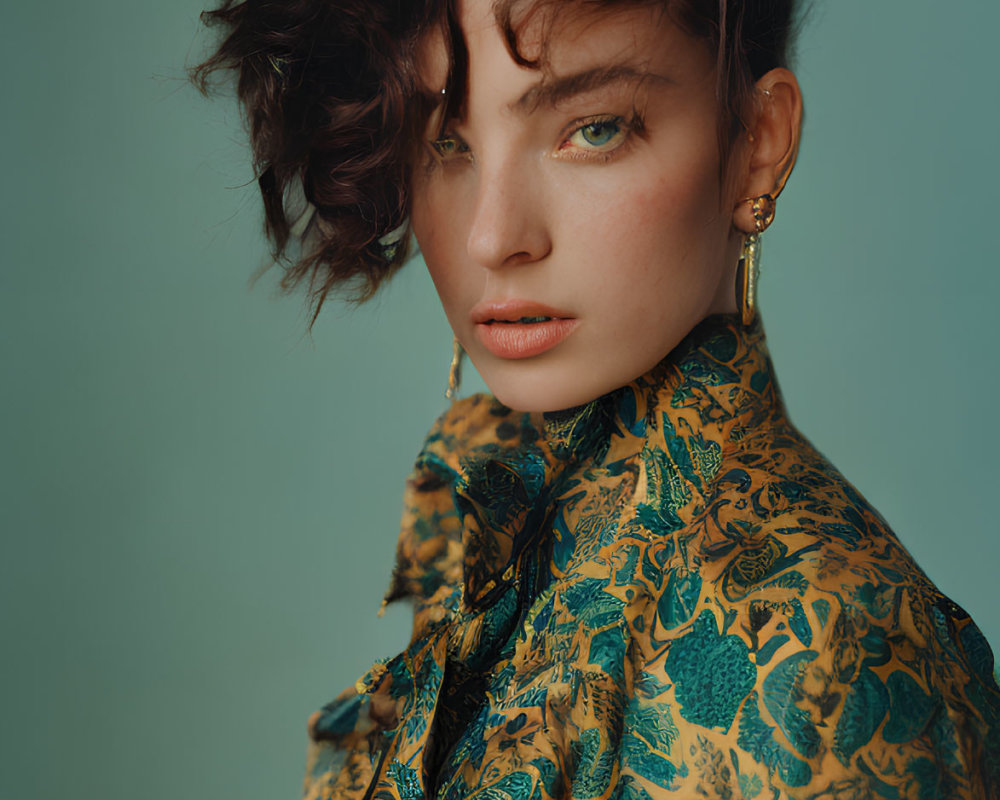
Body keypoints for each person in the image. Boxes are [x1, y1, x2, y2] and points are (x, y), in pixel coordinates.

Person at [194, 0, 1000, 797]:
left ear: (757, 144)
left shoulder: (835, 649)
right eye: (446, 141)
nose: (492, 235)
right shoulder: (494, 531)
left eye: (594, 129)